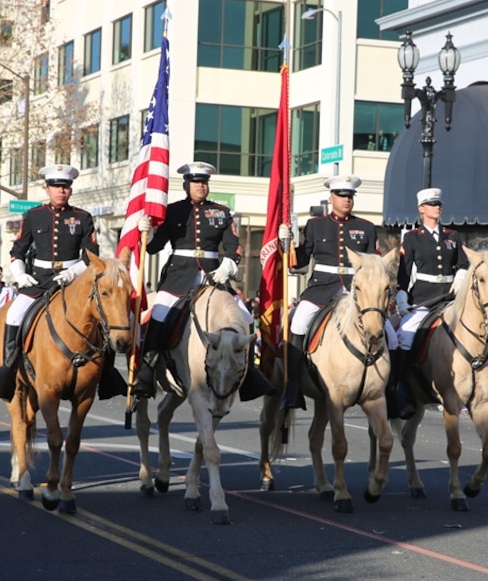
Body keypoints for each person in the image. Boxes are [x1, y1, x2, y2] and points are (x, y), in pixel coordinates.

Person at [133, 162, 271, 400]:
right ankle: (147, 370)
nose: (201, 186)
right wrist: (146, 231)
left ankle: (249, 375)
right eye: (196, 182)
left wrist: (227, 266)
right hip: (178, 277)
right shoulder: (172, 211)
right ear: (186, 185)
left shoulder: (221, 212)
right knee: (159, 314)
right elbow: (154, 249)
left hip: (213, 275)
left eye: (204, 182)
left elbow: (233, 245)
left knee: (246, 317)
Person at [0, 164, 100, 400]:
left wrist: (72, 273)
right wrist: (20, 274)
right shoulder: (34, 215)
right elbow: (17, 251)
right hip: (38, 280)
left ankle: (105, 374)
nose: (61, 191)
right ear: (47, 189)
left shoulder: (82, 217)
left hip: (72, 282)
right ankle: (8, 369)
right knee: (14, 314)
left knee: (101, 317)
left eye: (65, 186)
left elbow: (91, 256)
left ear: (70, 190)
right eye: (56, 186)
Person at [277, 173, 393, 410]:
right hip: (321, 289)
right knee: (298, 322)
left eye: (350, 196)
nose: (346, 200)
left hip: (357, 293)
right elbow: (297, 263)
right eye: (341, 195)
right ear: (331, 197)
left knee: (391, 333)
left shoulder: (366, 227)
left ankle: (392, 389)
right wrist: (285, 243)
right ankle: (293, 386)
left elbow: (375, 263)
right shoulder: (315, 225)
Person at [391, 187, 469, 420]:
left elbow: (463, 263)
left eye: (439, 204)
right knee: (405, 335)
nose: (438, 207)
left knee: (481, 332)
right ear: (421, 209)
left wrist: (461, 277)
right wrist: (402, 297)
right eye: (433, 204)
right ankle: (400, 385)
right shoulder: (413, 237)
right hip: (424, 297)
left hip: (450, 298)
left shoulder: (453, 236)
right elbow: (404, 273)